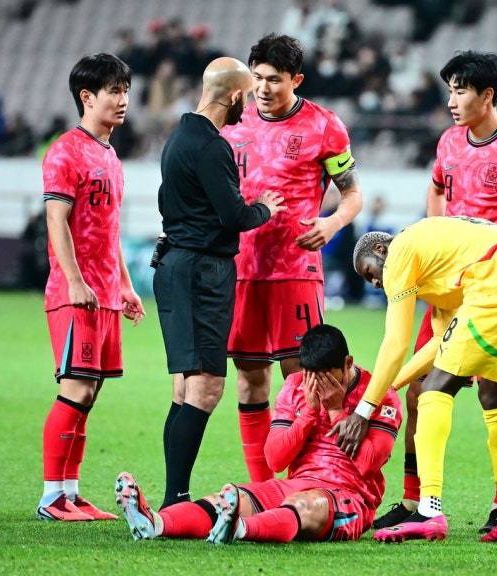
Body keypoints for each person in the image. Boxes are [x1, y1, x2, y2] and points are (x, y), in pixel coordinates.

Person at [372, 50, 497, 533]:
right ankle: (414, 500)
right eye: (449, 90)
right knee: (418, 390)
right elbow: (436, 189)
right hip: (451, 292)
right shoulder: (449, 141)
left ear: (487, 96)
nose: (451, 100)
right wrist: (436, 233)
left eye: (461, 91)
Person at [335, 217, 497, 544]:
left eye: (369, 272)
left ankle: (429, 511)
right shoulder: (441, 272)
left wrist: (363, 410)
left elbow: (396, 343)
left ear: (380, 249)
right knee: (495, 396)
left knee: (433, 389)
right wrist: (389, 388)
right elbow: (439, 344)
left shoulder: (399, 251)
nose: (373, 283)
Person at [221, 34, 363, 484]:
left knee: (305, 378)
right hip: (242, 268)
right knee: (249, 378)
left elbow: (353, 195)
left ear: (296, 80)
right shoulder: (232, 121)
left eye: (274, 80)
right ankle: (263, 488)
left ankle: (308, 480)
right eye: (257, 78)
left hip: (296, 269)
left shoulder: (324, 126)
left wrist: (333, 223)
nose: (263, 88)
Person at [114, 324, 402, 543]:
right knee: (230, 499)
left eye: (326, 377)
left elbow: (368, 464)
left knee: (303, 505)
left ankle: (239, 528)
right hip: (295, 484)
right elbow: (275, 459)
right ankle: (155, 523)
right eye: (310, 377)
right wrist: (309, 414)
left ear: (348, 364)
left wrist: (337, 410)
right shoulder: (296, 385)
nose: (317, 386)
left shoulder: (380, 395)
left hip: (349, 497)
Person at [153, 57, 285, 511]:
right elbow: (235, 216)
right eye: (245, 97)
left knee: (185, 388)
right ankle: (175, 499)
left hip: (176, 266)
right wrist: (265, 207)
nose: (246, 107)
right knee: (207, 387)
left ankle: (174, 499)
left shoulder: (177, 139)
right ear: (234, 95)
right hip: (201, 273)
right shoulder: (212, 146)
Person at [37, 53, 145, 521]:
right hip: (75, 294)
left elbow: (108, 230)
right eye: (114, 91)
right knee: (76, 390)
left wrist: (125, 286)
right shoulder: (66, 151)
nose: (123, 100)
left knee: (90, 394)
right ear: (87, 97)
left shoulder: (109, 155)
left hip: (104, 296)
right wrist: (76, 281)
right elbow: (55, 220)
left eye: (126, 91)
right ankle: (50, 497)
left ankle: (70, 492)